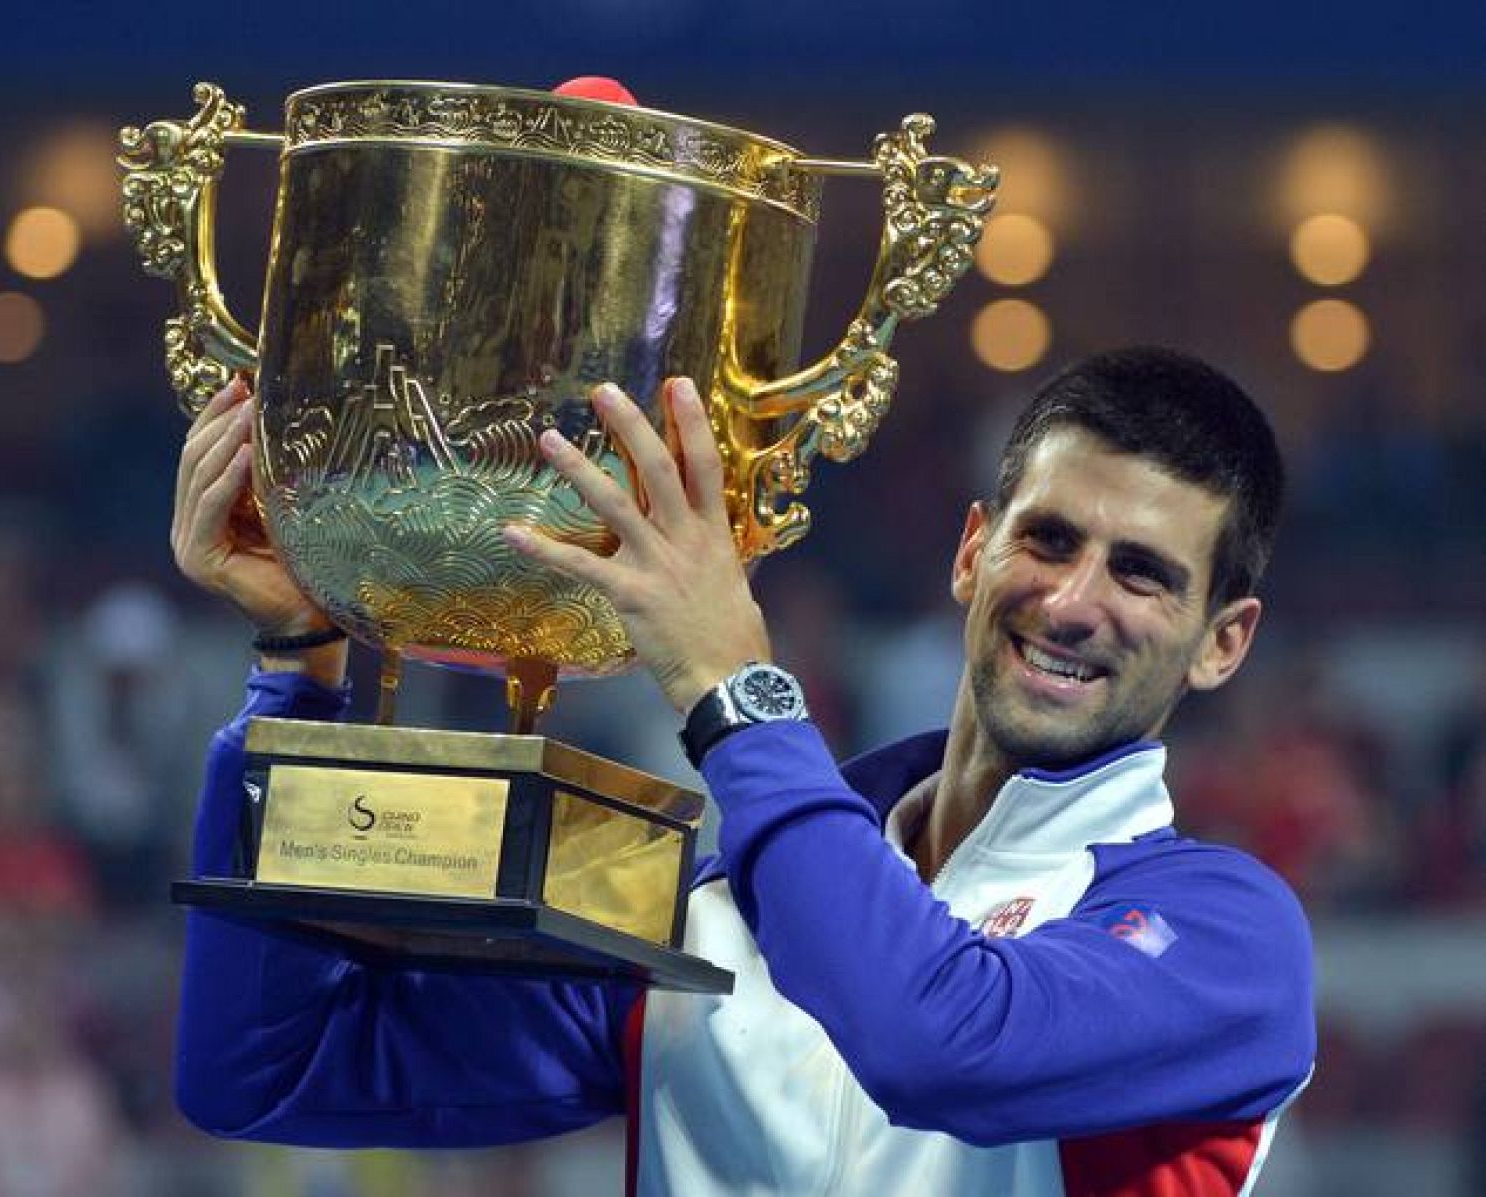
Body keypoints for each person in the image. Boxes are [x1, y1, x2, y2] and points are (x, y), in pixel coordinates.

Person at [169, 347, 1315, 1196]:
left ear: (1222, 642)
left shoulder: (1228, 937)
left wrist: (734, 687)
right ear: (974, 551)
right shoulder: (709, 914)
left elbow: (937, 1043)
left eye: (1141, 574)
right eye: (1048, 540)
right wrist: (298, 664)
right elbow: (269, 1070)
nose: (1070, 602)